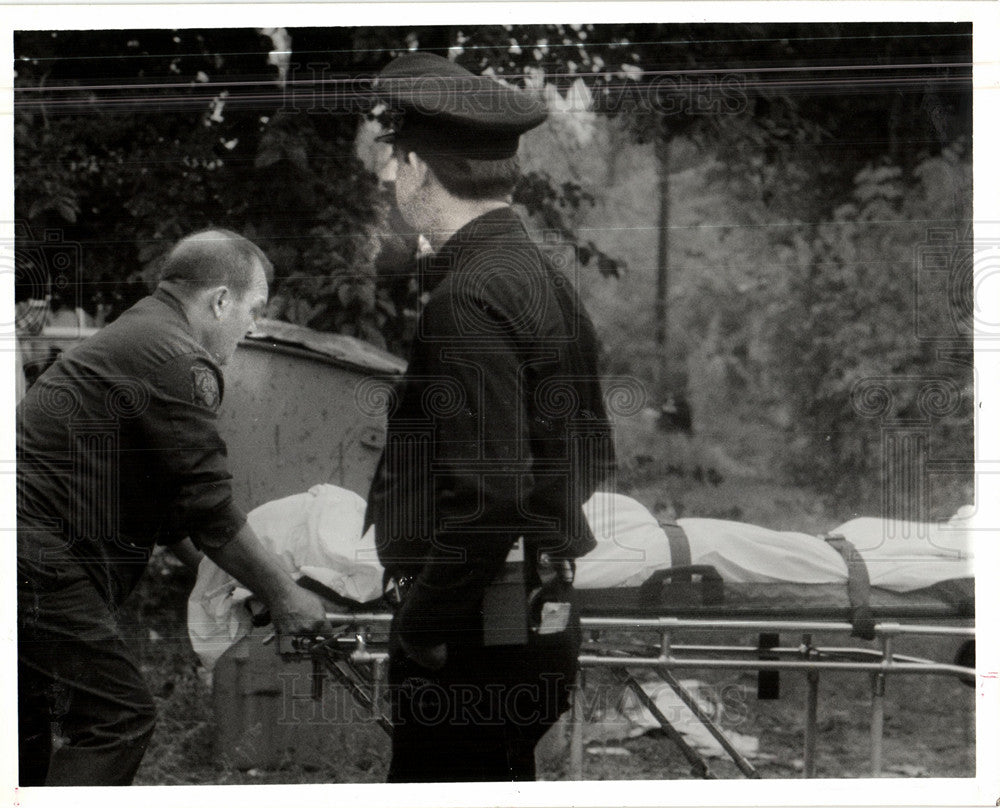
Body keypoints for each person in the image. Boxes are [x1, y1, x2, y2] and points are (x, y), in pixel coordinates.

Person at [364, 53, 616, 782]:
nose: (391, 182)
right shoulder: (542, 278)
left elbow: (489, 492)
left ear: (413, 168)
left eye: (394, 164)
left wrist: (425, 625)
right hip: (530, 621)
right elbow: (589, 456)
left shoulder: (467, 298)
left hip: (472, 639)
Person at [16, 229, 332, 786]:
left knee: (24, 720)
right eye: (252, 310)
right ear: (219, 300)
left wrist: (227, 579)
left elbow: (175, 506)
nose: (253, 326)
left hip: (24, 549)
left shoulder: (143, 331)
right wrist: (285, 595)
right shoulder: (179, 360)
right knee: (119, 717)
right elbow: (210, 508)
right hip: (34, 557)